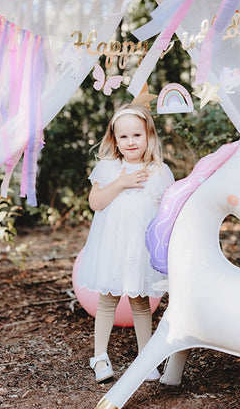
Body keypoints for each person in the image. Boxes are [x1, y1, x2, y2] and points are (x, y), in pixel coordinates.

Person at [76, 103, 174, 383]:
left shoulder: (159, 171)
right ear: (114, 140)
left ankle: (146, 358)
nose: (131, 142)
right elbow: (96, 203)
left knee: (141, 301)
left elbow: (167, 213)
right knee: (108, 300)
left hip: (140, 250)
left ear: (148, 136)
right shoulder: (108, 168)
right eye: (124, 137)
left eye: (137, 135)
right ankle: (100, 357)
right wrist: (121, 182)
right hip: (112, 247)